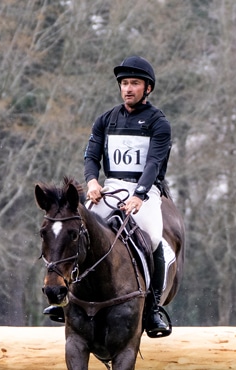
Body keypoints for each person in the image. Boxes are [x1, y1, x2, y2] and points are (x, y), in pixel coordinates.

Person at [44, 55, 173, 338]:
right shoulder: (105, 119)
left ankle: (152, 310)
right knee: (75, 230)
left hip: (145, 191)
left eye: (134, 84)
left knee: (151, 239)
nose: (128, 88)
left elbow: (153, 163)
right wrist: (91, 181)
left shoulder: (158, 123)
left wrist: (139, 195)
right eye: (125, 83)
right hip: (109, 187)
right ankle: (64, 298)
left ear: (147, 88)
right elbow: (91, 155)